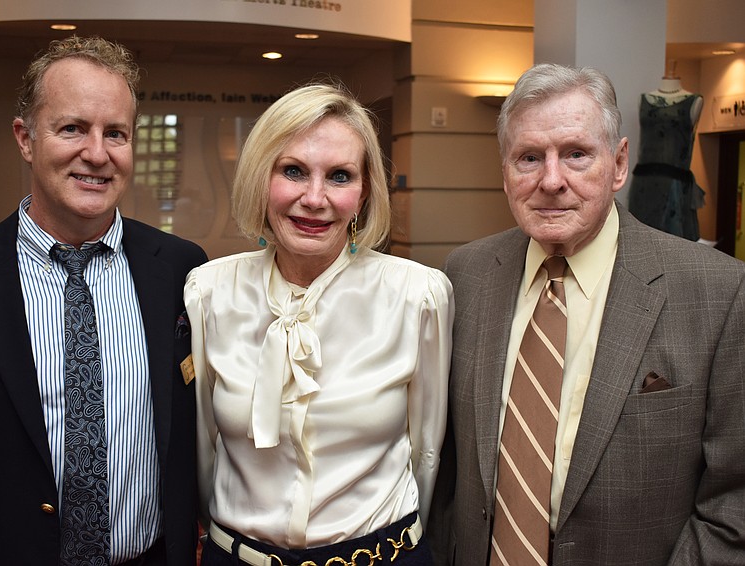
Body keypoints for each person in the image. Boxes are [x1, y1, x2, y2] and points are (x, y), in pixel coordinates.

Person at [0, 36, 207, 566]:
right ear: (25, 138)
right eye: (72, 129)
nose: (97, 153)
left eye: (116, 134)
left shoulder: (181, 268)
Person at [429, 63, 745, 565]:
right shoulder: (464, 276)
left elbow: (734, 498)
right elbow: (445, 464)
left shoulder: (717, 293)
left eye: (576, 154)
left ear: (619, 164)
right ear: (504, 173)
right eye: (529, 157)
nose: (551, 180)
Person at [185, 83, 454, 566]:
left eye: (339, 176)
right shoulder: (209, 292)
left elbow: (426, 453)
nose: (314, 198)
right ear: (261, 178)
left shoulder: (418, 295)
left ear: (365, 190)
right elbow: (204, 448)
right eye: (293, 171)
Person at [628, 74, 705, 240]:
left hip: (674, 186)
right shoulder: (644, 100)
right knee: (638, 238)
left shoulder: (694, 101)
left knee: (672, 241)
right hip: (643, 185)